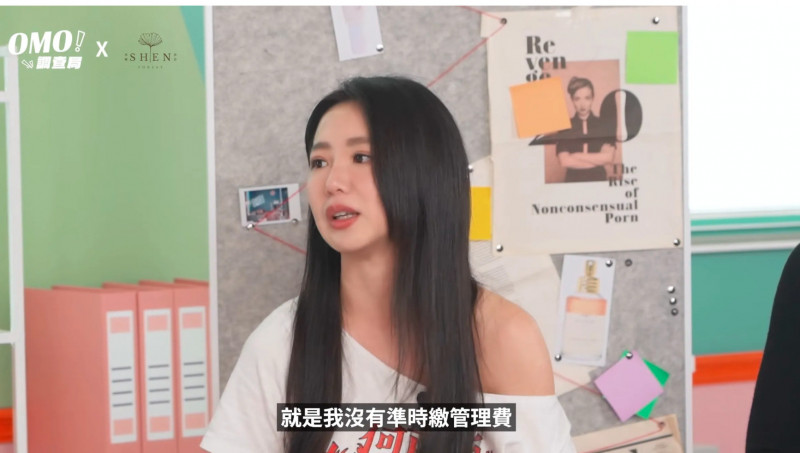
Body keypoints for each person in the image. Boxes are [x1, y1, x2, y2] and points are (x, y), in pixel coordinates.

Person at [200, 76, 575, 453]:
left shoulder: (502, 336)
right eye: (319, 162)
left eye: (361, 157)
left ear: (424, 173)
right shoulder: (282, 342)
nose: (333, 182)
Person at [555, 77, 617, 183]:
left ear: (592, 98)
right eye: (577, 99)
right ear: (572, 100)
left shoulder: (604, 125)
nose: (582, 104)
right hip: (572, 182)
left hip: (598, 181)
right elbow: (564, 161)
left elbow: (608, 158)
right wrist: (598, 160)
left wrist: (576, 156)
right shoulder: (564, 127)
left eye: (587, 98)